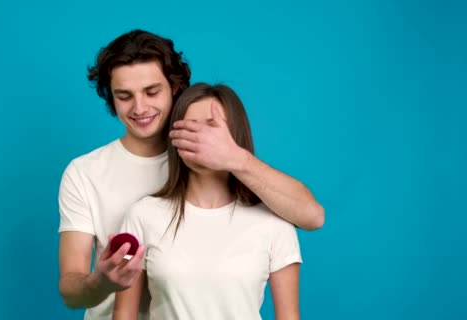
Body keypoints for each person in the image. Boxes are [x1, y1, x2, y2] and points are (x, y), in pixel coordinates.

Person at [58, 30, 323, 320]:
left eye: (152, 91)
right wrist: (103, 281)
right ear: (112, 98)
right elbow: (71, 287)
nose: (140, 108)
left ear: (175, 88)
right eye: (124, 96)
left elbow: (313, 217)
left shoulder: (224, 172)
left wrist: (233, 156)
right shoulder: (87, 174)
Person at [112, 83, 302, 320]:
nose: (200, 140)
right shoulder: (142, 215)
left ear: (235, 136)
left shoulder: (274, 222)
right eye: (190, 129)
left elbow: (289, 316)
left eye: (212, 128)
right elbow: (123, 314)